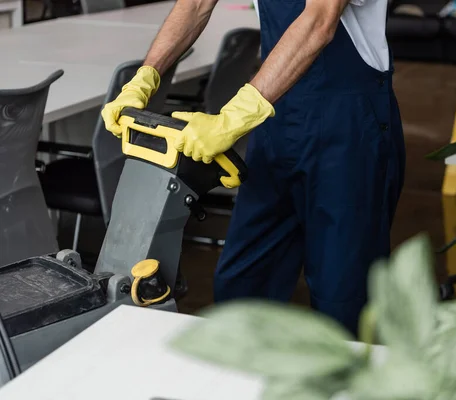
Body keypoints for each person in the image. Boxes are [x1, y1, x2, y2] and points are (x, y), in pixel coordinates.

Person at [101, 0, 405, 335]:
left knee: (344, 301)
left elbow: (320, 20)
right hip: (275, 121)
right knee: (241, 289)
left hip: (347, 132)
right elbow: (195, 5)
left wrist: (232, 120)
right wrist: (146, 77)